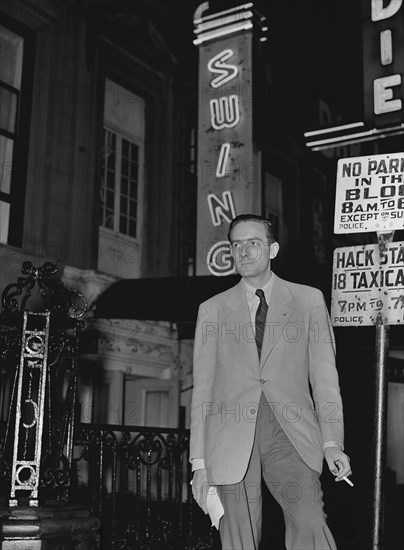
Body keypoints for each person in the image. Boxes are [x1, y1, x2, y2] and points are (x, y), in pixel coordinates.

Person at [190, 214, 351, 550]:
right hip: (231, 437)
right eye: (236, 245)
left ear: (273, 249)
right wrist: (199, 464)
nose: (244, 252)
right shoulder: (213, 310)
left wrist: (332, 442)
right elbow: (202, 391)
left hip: (290, 432)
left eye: (253, 243)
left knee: (310, 522)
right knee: (238, 535)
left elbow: (324, 379)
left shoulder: (308, 301)